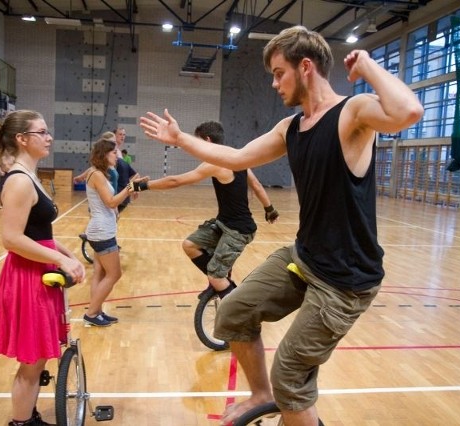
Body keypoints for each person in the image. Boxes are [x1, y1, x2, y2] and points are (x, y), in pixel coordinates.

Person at [140, 26, 423, 426]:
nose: (274, 83)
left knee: (290, 377)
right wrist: (182, 139)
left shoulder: (353, 113)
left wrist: (369, 65)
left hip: (345, 279)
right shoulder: (290, 128)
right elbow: (237, 157)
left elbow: (408, 111)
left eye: (278, 73)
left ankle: (283, 399)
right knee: (233, 313)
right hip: (306, 258)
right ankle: (259, 394)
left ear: (305, 67)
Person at [0, 110, 86, 426]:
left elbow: (41, 234)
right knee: (31, 364)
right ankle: (21, 422)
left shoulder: (30, 176)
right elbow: (11, 239)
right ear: (22, 139)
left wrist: (68, 255)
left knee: (38, 359)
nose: (48, 137)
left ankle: (28, 415)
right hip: (27, 278)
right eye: (41, 132)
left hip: (40, 273)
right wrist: (59, 259)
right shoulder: (18, 181)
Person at [130, 120, 280, 299]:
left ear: (207, 141)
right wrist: (269, 209)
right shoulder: (235, 155)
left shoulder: (215, 163)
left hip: (238, 231)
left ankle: (236, 309)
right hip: (224, 223)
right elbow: (255, 184)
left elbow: (176, 181)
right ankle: (220, 281)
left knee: (216, 276)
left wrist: (143, 186)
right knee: (190, 245)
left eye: (197, 142)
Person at [81, 134, 139, 326]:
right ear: (104, 154)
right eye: (114, 153)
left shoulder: (98, 172)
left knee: (100, 273)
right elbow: (111, 201)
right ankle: (91, 313)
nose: (117, 155)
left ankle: (96, 311)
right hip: (102, 232)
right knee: (114, 274)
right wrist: (130, 188)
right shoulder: (96, 175)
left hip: (101, 229)